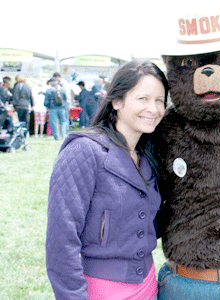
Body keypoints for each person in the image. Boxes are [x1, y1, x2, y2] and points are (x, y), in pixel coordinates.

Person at [46, 59, 169, 300]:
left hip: (148, 286)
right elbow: (61, 240)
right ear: (117, 101)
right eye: (143, 99)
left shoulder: (149, 156)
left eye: (160, 101)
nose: (153, 109)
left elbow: (147, 225)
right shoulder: (84, 151)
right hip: (101, 290)